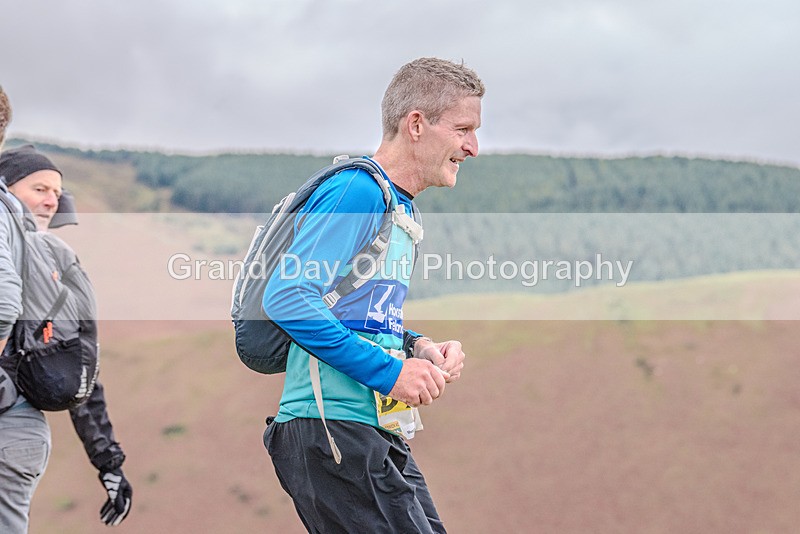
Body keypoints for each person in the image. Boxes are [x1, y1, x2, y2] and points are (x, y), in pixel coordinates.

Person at [262, 57, 483, 533]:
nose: (474, 147)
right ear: (417, 124)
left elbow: (356, 313)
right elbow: (287, 297)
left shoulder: (397, 207)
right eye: (463, 129)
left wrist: (417, 347)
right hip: (330, 427)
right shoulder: (357, 191)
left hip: (371, 428)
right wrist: (391, 373)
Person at [0, 140, 133, 532]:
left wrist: (109, 462)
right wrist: (108, 464)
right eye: (39, 189)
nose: (51, 201)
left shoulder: (49, 260)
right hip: (22, 436)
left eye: (57, 193)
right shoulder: (51, 259)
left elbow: (73, 367)